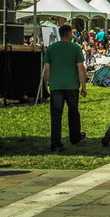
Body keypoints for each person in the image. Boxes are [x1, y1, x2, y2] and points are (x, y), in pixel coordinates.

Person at [43, 24, 87, 153]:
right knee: (73, 112)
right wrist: (84, 85)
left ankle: (55, 143)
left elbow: (47, 68)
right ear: (68, 33)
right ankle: (75, 136)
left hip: (56, 85)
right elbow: (80, 67)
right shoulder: (75, 47)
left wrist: (49, 82)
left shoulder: (51, 48)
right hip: (72, 85)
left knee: (56, 115)